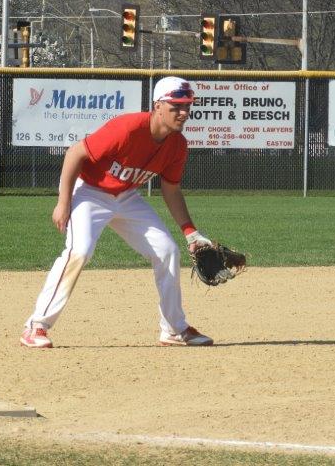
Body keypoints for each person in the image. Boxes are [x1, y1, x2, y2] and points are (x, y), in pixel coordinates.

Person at [20, 76, 214, 348]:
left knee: (168, 250)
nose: (183, 112)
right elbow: (75, 154)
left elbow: (171, 189)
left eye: (187, 106)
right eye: (176, 106)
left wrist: (190, 231)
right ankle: (36, 326)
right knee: (80, 251)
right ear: (158, 106)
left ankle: (173, 328)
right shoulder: (128, 128)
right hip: (89, 191)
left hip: (126, 197)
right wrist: (63, 202)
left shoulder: (177, 145)